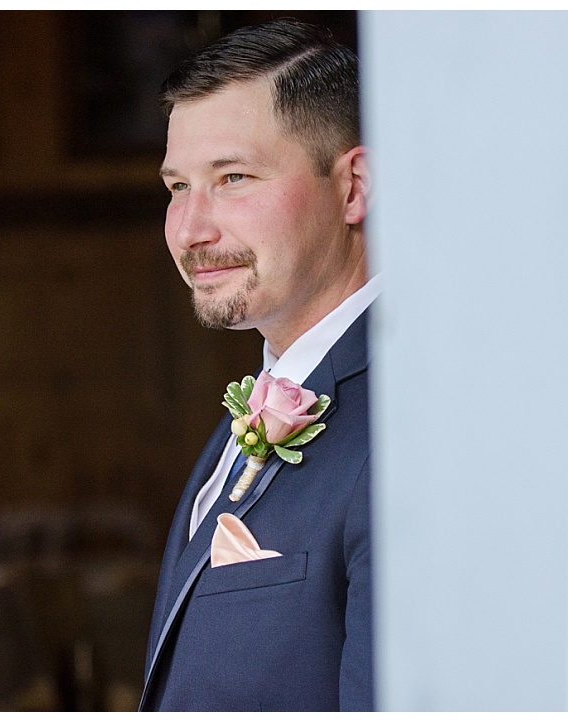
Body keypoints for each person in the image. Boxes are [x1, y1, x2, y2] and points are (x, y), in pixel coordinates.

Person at [140, 19, 379, 712]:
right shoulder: (257, 404)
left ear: (354, 186)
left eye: (233, 178)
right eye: (178, 187)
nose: (191, 231)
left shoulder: (412, 425)